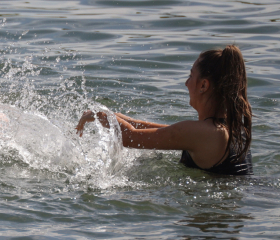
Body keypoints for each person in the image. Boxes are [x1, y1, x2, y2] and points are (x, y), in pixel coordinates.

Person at [76, 45, 253, 176]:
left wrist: (100, 115)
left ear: (204, 85)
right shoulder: (228, 127)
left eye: (191, 76)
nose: (186, 83)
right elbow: (160, 130)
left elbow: (132, 137)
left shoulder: (209, 132)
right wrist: (115, 115)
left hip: (219, 214)